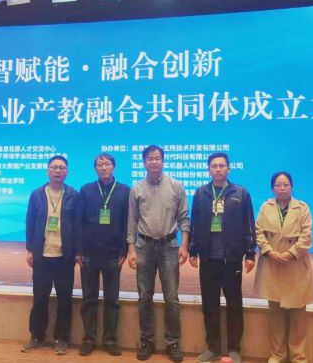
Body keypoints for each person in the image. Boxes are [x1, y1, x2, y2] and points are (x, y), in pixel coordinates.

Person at [189, 152, 256, 363]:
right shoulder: (201, 193)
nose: (218, 169)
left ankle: (234, 349)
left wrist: (250, 253)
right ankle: (213, 348)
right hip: (208, 259)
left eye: (221, 166)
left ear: (229, 168)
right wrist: (193, 250)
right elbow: (194, 223)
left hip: (232, 259)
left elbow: (248, 224)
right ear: (209, 169)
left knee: (234, 304)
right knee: (210, 305)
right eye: (214, 166)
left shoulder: (241, 193)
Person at [127, 145, 189, 363]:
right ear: (144, 162)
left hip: (169, 247)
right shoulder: (136, 189)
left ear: (163, 161)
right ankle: (147, 340)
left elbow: (184, 219)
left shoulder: (176, 186)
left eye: (157, 158)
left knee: (171, 298)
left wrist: (184, 246)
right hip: (143, 246)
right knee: (144, 297)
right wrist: (131, 249)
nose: (154, 162)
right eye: (150, 158)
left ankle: (173, 342)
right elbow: (132, 222)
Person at [254, 171, 313, 363]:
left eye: (285, 185)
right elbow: (258, 232)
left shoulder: (302, 208)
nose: (282, 188)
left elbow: (307, 237)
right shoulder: (266, 207)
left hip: (295, 264)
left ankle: (298, 356)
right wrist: (270, 252)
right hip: (272, 264)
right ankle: (277, 354)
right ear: (272, 188)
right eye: (278, 185)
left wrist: (290, 254)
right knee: (275, 314)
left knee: (298, 315)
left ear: (291, 187)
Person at [22, 155, 78, 356]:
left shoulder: (73, 195)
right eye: (54, 167)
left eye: (61, 168)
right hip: (42, 256)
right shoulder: (37, 194)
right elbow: (30, 222)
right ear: (47, 171)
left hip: (64, 257)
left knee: (64, 300)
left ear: (67, 172)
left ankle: (61, 338)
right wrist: (30, 249)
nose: (57, 171)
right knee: (40, 298)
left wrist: (77, 252)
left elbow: (78, 226)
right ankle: (37, 335)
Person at [75, 153, 130, 357]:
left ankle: (110, 340)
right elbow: (78, 222)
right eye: (100, 164)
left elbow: (127, 222)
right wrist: (79, 250)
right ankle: (88, 339)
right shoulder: (86, 190)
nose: (104, 167)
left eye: (107, 164)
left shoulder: (124, 191)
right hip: (89, 254)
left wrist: (124, 249)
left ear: (114, 167)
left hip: (113, 255)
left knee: (112, 300)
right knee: (89, 299)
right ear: (95, 168)